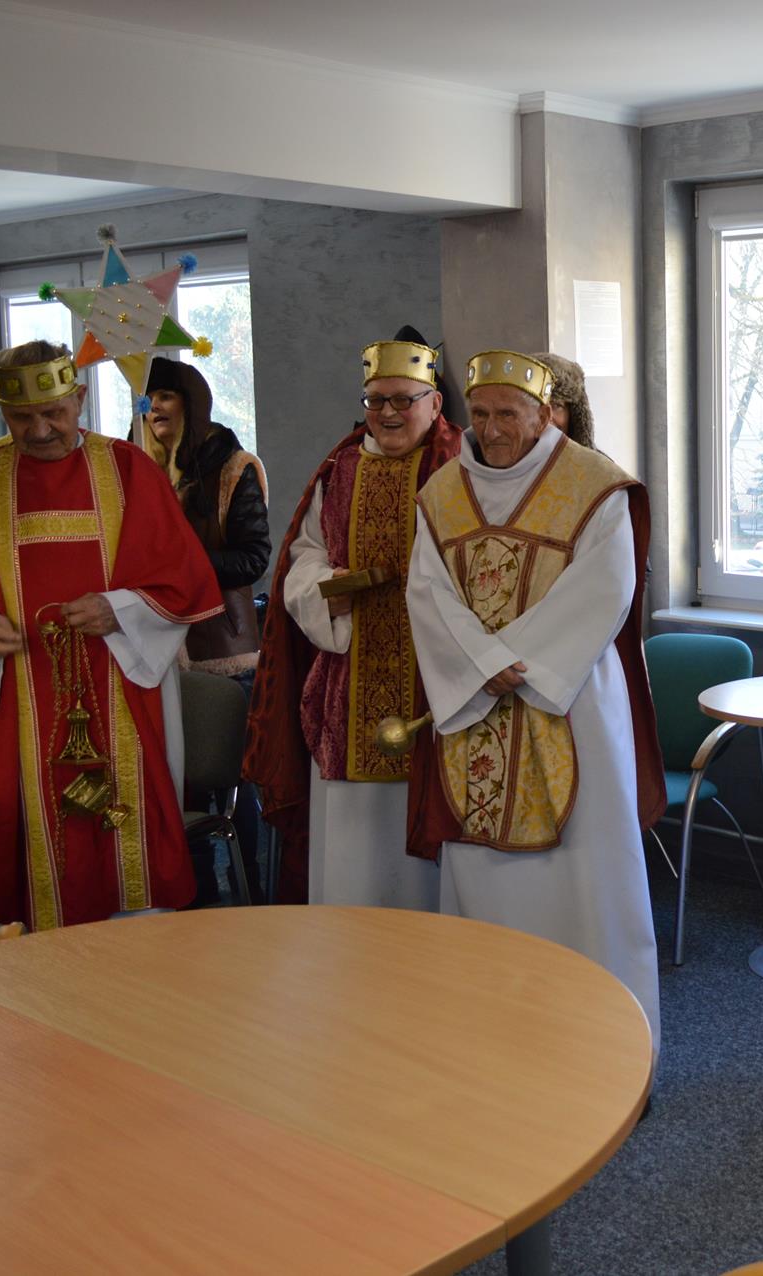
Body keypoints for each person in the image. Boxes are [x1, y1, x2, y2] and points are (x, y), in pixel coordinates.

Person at [0, 340, 222, 930]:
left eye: (54, 412)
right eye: (21, 418)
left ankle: (143, 947)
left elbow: (181, 582)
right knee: (25, 832)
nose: (40, 430)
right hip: (17, 692)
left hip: (123, 686)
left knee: (133, 836)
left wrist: (120, 609)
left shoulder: (127, 469)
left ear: (80, 398)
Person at [406, 349, 667, 1049]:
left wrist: (504, 661)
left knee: (588, 882)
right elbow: (426, 591)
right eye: (480, 414)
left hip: (572, 704)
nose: (491, 429)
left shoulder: (595, 485)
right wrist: (484, 663)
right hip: (477, 709)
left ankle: (608, 1045)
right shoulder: (442, 491)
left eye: (507, 414)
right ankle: (491, 1042)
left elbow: (606, 589)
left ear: (545, 414)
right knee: (485, 885)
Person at [244, 327, 464, 906]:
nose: (387, 414)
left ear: (434, 402)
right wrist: (325, 593)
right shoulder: (339, 470)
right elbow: (303, 556)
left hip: (433, 687)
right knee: (353, 863)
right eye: (375, 400)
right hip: (350, 684)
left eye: (403, 400)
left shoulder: (461, 467)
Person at [137, 357, 272, 902]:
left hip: (223, 649)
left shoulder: (234, 466)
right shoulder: (140, 472)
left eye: (166, 396)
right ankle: (194, 898)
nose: (155, 408)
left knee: (235, 788)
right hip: (156, 649)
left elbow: (253, 557)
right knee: (178, 786)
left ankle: (249, 895)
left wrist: (182, 564)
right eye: (148, 399)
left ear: (191, 404)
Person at [533, 350, 595, 449]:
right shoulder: (507, 457)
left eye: (556, 406)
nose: (547, 417)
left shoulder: (593, 459)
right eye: (536, 405)